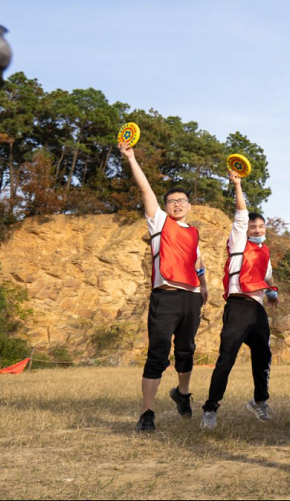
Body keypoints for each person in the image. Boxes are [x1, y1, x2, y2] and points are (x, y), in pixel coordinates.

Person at [119, 142, 208, 434]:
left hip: (191, 297)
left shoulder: (193, 232)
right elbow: (146, 190)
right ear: (166, 206)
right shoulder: (158, 222)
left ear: (190, 206)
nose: (177, 204)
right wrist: (131, 158)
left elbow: (197, 261)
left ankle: (182, 393)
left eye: (182, 200)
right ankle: (147, 413)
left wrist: (204, 286)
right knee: (158, 353)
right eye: (172, 201)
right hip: (165, 298)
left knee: (186, 350)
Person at [200, 171, 277, 430]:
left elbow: (267, 275)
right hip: (238, 306)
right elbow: (242, 215)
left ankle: (259, 401)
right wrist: (238, 185)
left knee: (263, 355)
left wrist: (272, 292)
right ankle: (210, 408)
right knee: (227, 357)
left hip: (257, 309)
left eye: (261, 226)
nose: (257, 230)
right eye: (253, 227)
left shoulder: (264, 250)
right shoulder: (238, 243)